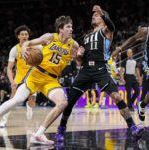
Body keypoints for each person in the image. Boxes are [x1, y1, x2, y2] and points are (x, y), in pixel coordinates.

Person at [55, 5, 144, 142]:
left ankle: (132, 127)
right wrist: (78, 56)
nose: (93, 16)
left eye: (95, 15)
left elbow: (112, 26)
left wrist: (101, 13)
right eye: (94, 15)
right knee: (70, 101)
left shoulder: (107, 31)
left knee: (116, 97)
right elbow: (80, 61)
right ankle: (61, 128)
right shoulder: (86, 36)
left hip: (101, 69)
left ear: (103, 17)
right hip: (85, 70)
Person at [0, 15, 80, 145]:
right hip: (36, 74)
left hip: (51, 80)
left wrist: (79, 56)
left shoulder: (74, 45)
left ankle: (38, 134)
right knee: (17, 100)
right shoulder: (49, 37)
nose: (71, 29)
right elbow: (28, 43)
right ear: (60, 28)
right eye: (68, 27)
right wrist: (25, 48)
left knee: (63, 103)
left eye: (71, 26)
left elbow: (80, 59)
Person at [0, 25, 38, 128]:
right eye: (22, 34)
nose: (24, 36)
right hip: (20, 76)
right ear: (18, 36)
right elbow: (9, 68)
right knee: (12, 99)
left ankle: (29, 108)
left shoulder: (35, 47)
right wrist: (12, 81)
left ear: (28, 36)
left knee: (32, 101)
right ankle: (4, 120)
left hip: (33, 76)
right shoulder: (14, 50)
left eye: (26, 34)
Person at [116, 26, 149, 121]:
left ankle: (141, 104)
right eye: (129, 53)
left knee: (138, 91)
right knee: (134, 92)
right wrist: (121, 48)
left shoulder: (134, 61)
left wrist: (138, 78)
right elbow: (133, 38)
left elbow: (136, 70)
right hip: (146, 65)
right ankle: (133, 105)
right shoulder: (146, 30)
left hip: (133, 76)